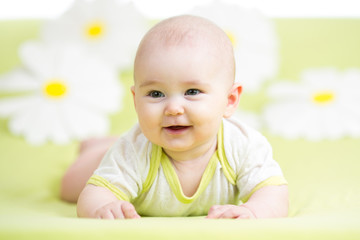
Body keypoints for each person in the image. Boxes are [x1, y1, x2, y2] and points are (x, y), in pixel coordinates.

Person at [67, 15, 288, 219]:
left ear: (229, 100)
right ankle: (96, 148)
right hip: (119, 157)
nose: (173, 109)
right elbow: (94, 196)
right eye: (156, 94)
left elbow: (273, 193)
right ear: (136, 100)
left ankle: (106, 142)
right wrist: (104, 206)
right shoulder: (132, 151)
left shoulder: (243, 145)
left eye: (192, 92)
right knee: (69, 186)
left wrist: (252, 211)